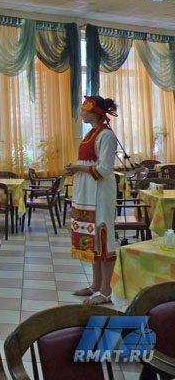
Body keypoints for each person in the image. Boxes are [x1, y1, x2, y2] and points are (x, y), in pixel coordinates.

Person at [65, 95, 118, 305]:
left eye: (84, 110)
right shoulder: (91, 133)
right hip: (87, 192)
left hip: (100, 192)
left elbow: (104, 169)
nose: (81, 113)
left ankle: (106, 291)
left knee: (103, 237)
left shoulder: (106, 135)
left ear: (94, 112)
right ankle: (96, 285)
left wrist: (78, 167)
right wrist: (76, 168)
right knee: (93, 238)